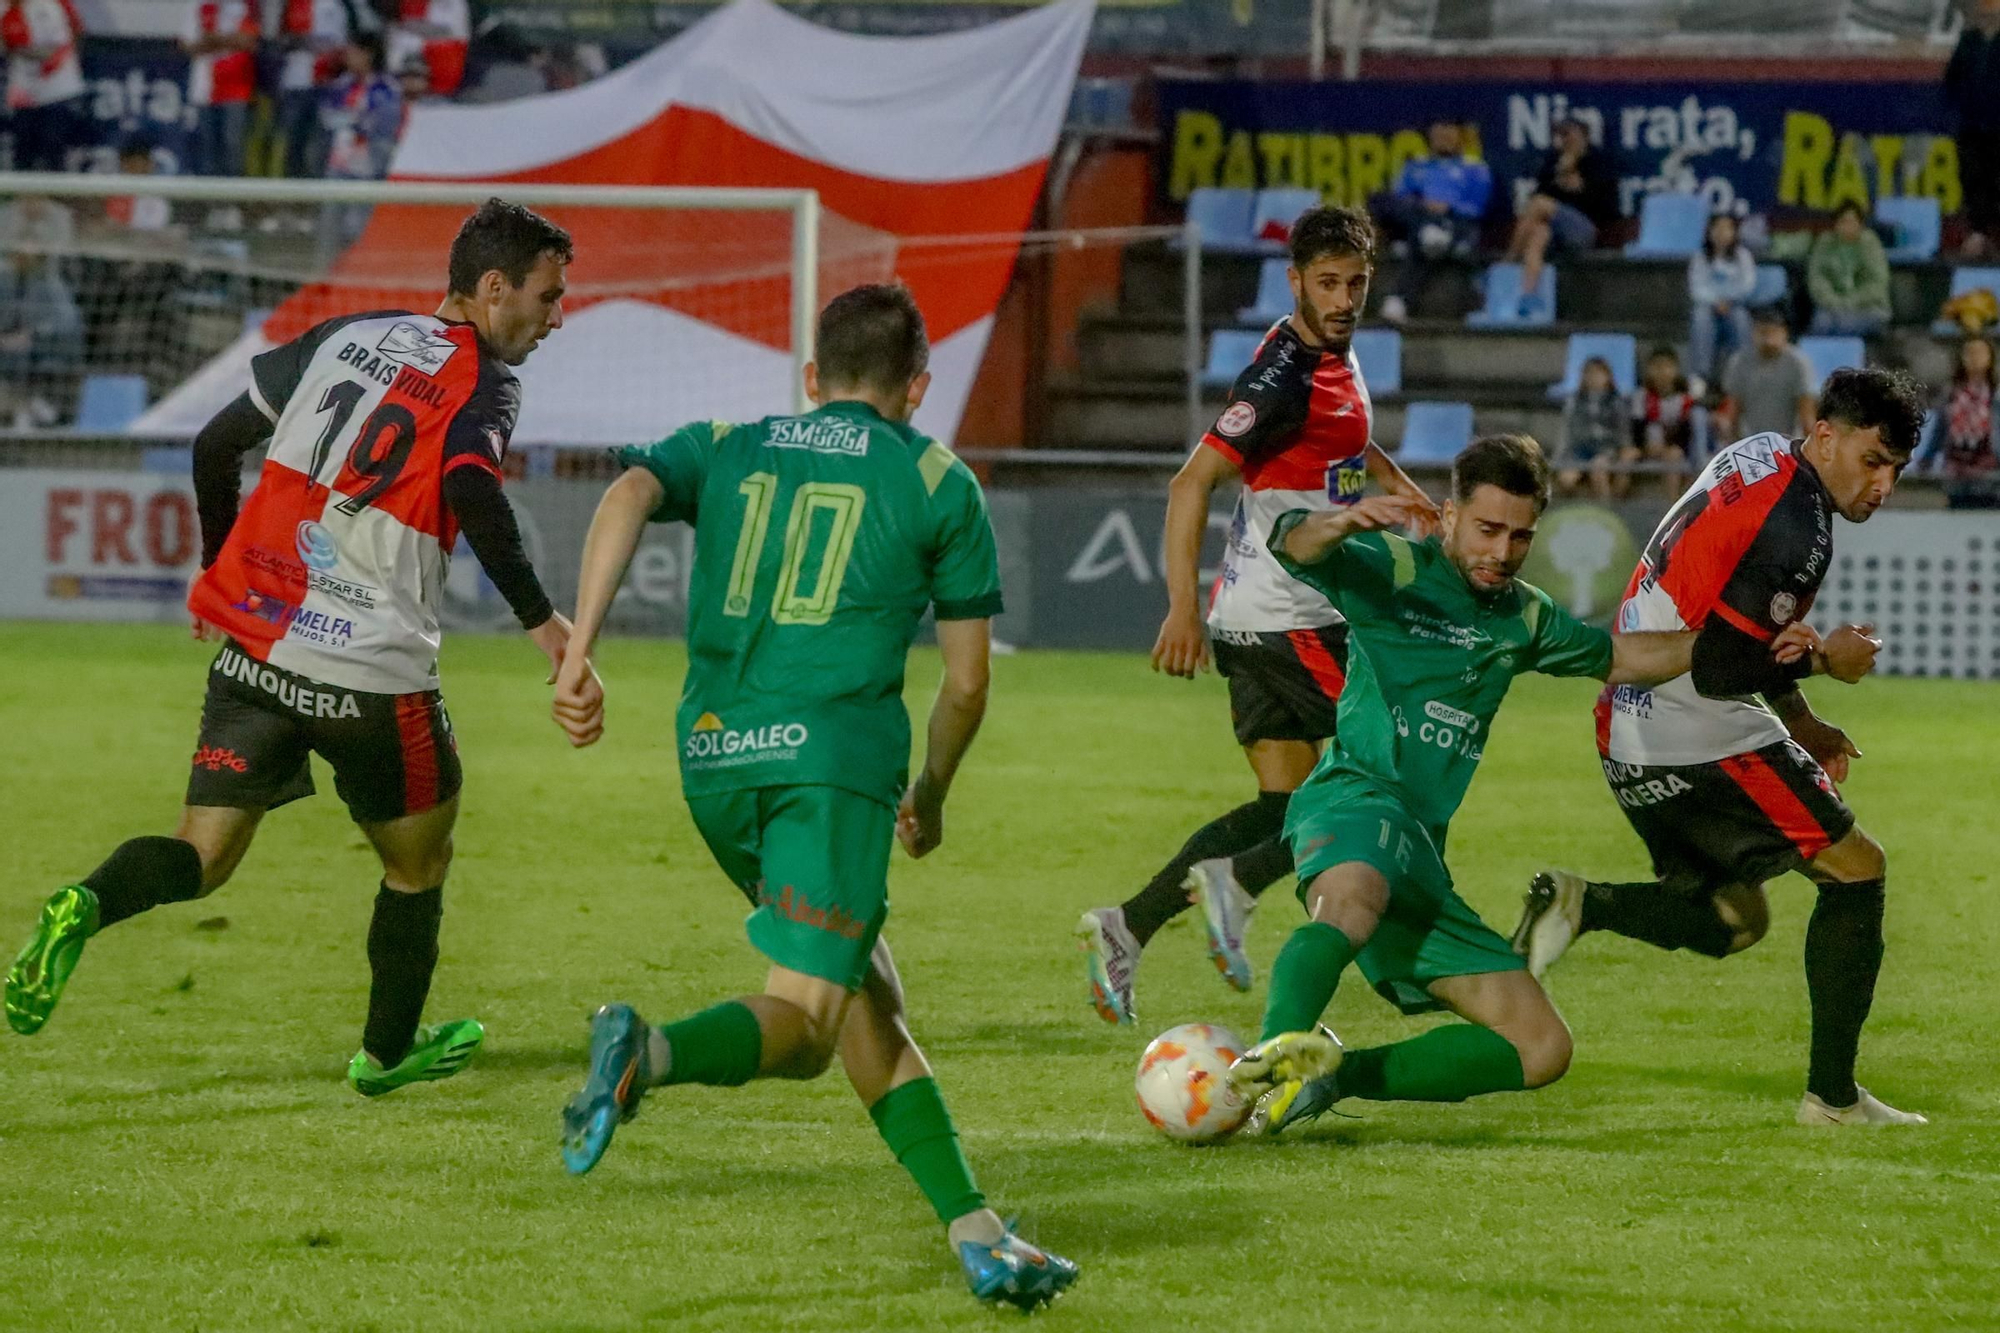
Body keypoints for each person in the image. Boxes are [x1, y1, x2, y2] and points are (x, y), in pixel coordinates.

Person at [547, 284, 1079, 1311]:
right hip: (828, 772)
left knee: (864, 997)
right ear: (915, 388)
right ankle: (642, 1052)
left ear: (810, 378)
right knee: (802, 1027)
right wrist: (928, 791)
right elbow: (966, 683)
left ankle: (977, 1233)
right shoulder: (935, 479)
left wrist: (580, 649)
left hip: (711, 762)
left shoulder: (731, 438)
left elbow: (622, 494)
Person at [4, 200, 577, 1101]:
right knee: (417, 863)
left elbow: (213, 442)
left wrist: (222, 564)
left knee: (201, 854)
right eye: (547, 297)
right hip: (373, 674)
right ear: (493, 288)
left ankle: (86, 901)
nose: (555, 317)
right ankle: (386, 1055)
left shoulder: (345, 335)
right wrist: (543, 618)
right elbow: (470, 484)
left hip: (258, 650)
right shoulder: (486, 382)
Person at [1219, 436, 1784, 1135]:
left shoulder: (1524, 614)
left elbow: (1623, 659)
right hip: (1357, 800)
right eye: (1487, 529)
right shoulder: (1399, 566)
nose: (1502, 551)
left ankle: (1333, 1074)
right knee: (1351, 900)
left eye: (1520, 536)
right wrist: (1341, 520)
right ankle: (1273, 1053)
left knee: (1542, 1047)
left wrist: (1743, 645)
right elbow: (1295, 545)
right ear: (1450, 516)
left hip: (1420, 853)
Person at [1513, 369, 1930, 1126]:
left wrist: (1799, 720)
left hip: (1625, 724)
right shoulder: (1799, 528)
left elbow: (1732, 625)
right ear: (1828, 437)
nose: (1885, 484)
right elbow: (1723, 665)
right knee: (1857, 871)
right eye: (1874, 460)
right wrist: (1824, 660)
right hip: (1692, 724)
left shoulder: (1763, 455)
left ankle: (1583, 904)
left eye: (1897, 468)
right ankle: (1832, 1100)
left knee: (1735, 919)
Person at [1075, 206, 1438, 1025]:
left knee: (1283, 805)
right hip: (1293, 614)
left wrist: (1396, 484)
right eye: (1328, 283)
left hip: (1263, 612)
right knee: (1386, 782)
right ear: (1295, 281)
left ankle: (1126, 926)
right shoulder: (1282, 375)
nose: (1344, 298)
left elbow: (1335, 444)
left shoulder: (1323, 353)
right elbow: (1189, 484)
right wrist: (1178, 609)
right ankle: (1348, 940)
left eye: (1356, 283)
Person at [1371, 117, 1492, 325]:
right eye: (1439, 133)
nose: (1443, 138)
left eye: (1449, 132)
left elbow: (1477, 208)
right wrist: (1424, 206)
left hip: (1457, 224)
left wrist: (1448, 207)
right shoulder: (1416, 166)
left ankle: (1398, 299)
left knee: (1430, 231)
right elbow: (1400, 200)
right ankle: (1430, 231)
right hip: (1419, 217)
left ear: (1458, 137)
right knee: (1380, 200)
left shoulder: (1474, 169)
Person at [1507, 117, 1618, 320]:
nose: (1565, 139)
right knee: (1538, 235)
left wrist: (1581, 188)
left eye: (1569, 134)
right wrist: (1560, 177)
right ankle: (1528, 296)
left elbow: (1609, 208)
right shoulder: (1552, 162)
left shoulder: (1598, 162)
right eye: (1561, 135)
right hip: (1555, 232)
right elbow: (1537, 198)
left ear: (1583, 135)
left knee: (1541, 204)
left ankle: (1506, 263)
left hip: (1585, 230)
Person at [316, 32, 402, 260]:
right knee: (329, 226)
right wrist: (355, 120)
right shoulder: (341, 86)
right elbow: (326, 118)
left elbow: (382, 125)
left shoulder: (386, 88)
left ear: (368, 55)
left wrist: (352, 121)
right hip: (340, 163)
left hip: (369, 167)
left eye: (354, 52)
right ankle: (324, 282)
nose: (348, 57)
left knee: (358, 228)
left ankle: (355, 278)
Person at [2, 0, 88, 172]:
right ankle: (24, 198)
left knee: (53, 150)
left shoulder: (48, 5)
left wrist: (16, 47)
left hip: (57, 89)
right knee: (23, 153)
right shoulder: (5, 9)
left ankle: (54, 196)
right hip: (24, 92)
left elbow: (54, 47)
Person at [1945, 0, 2000, 257]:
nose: (1985, 17)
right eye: (1983, 12)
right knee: (1974, 180)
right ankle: (1978, 234)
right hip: (1972, 128)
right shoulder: (1968, 41)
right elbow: (1952, 79)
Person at [181, 0, 259, 178]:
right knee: (207, 145)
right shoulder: (197, 6)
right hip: (204, 87)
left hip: (237, 86)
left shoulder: (242, 6)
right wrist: (229, 41)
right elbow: (187, 46)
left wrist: (212, 39)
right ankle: (209, 201)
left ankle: (232, 198)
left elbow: (249, 41)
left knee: (233, 144)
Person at [271, 0, 348, 178]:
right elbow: (279, 39)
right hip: (293, 82)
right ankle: (290, 191)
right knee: (291, 141)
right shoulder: (292, 5)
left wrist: (310, 43)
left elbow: (340, 44)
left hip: (325, 83)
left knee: (319, 141)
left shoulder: (334, 6)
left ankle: (315, 190)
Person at [1922, 335, 2000, 509]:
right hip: (1956, 470)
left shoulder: (1995, 395)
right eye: (1970, 353)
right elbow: (1940, 431)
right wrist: (1927, 459)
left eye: (1980, 352)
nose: (1974, 358)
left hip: (1989, 470)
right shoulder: (1951, 393)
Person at [1720, 307, 1816, 442]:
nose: (1768, 339)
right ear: (1753, 333)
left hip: (1789, 443)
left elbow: (1806, 413)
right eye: (1763, 333)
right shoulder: (1740, 362)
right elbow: (1732, 409)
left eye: (1774, 333)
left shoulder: (1798, 363)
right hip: (1749, 444)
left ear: (1785, 333)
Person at [1688, 212, 1757, 380]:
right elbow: (1696, 288)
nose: (1721, 233)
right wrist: (1715, 301)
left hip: (1735, 305)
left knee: (1741, 320)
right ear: (1709, 232)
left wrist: (1728, 300)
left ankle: (1742, 373)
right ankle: (1700, 375)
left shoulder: (1743, 256)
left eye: (1727, 229)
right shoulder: (1700, 257)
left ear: (1734, 232)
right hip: (1708, 307)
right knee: (1700, 318)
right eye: (1717, 228)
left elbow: (1747, 285)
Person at [1807, 203, 1891, 337]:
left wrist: (1850, 302)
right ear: (1835, 224)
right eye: (1843, 222)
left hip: (1868, 307)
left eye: (1851, 222)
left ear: (1860, 224)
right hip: (1832, 307)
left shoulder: (1870, 244)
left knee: (1845, 325)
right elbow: (1817, 278)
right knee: (1821, 323)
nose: (1847, 226)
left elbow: (1877, 284)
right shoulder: (1825, 243)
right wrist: (1833, 300)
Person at [1558, 355, 1630, 500]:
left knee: (1598, 469)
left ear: (1608, 377)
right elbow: (1568, 431)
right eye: (1589, 373)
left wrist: (1621, 450)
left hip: (1607, 450)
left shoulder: (1616, 401)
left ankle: (1606, 511)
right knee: (1566, 478)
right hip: (1580, 450)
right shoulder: (1574, 401)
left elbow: (1622, 432)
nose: (1593, 377)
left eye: (1598, 373)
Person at [1631, 344, 1698, 492]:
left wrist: (1667, 446)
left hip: (1676, 450)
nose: (1661, 372)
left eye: (1666, 367)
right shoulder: (1641, 397)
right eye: (1656, 367)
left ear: (1675, 370)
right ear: (1649, 370)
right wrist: (1645, 447)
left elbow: (1687, 434)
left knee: (1674, 455)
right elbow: (1636, 429)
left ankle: (1671, 501)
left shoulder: (1684, 399)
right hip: (1647, 448)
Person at [387, 0, 467, 97]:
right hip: (411, 66)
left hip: (446, 62)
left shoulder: (454, 2)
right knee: (401, 40)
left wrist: (406, 27)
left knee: (406, 39)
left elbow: (447, 31)